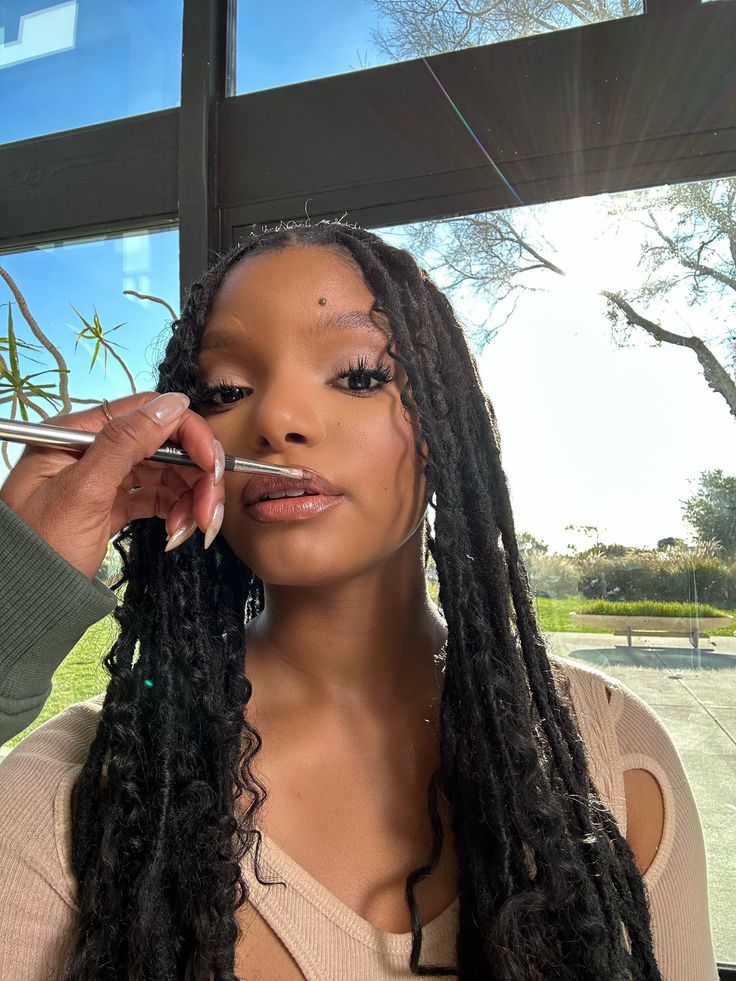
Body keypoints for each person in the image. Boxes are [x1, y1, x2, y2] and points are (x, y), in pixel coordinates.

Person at [0, 220, 718, 981]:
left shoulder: (616, 760)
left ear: (444, 427)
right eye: (227, 391)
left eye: (355, 375)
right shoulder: (76, 792)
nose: (276, 420)